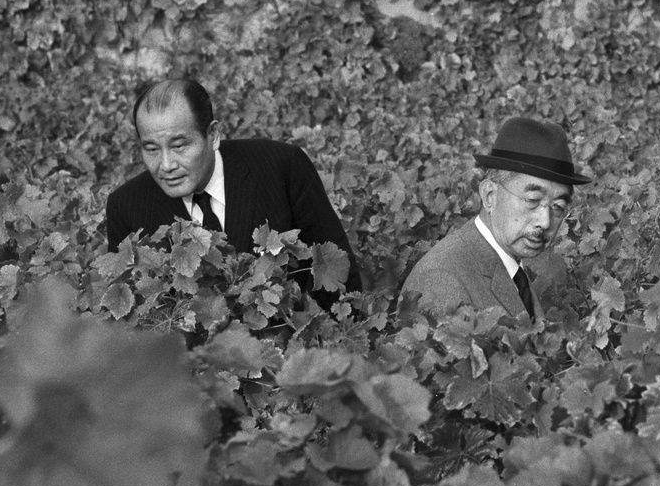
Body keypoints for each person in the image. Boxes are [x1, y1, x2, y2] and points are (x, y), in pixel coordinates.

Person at [106, 78, 360, 299]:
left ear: (213, 135)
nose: (166, 165)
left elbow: (336, 267)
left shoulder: (282, 167)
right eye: (151, 149)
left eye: (179, 146)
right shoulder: (127, 207)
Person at [400, 116, 591, 322]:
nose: (545, 221)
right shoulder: (440, 281)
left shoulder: (512, 267)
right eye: (532, 200)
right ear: (490, 195)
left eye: (558, 207)